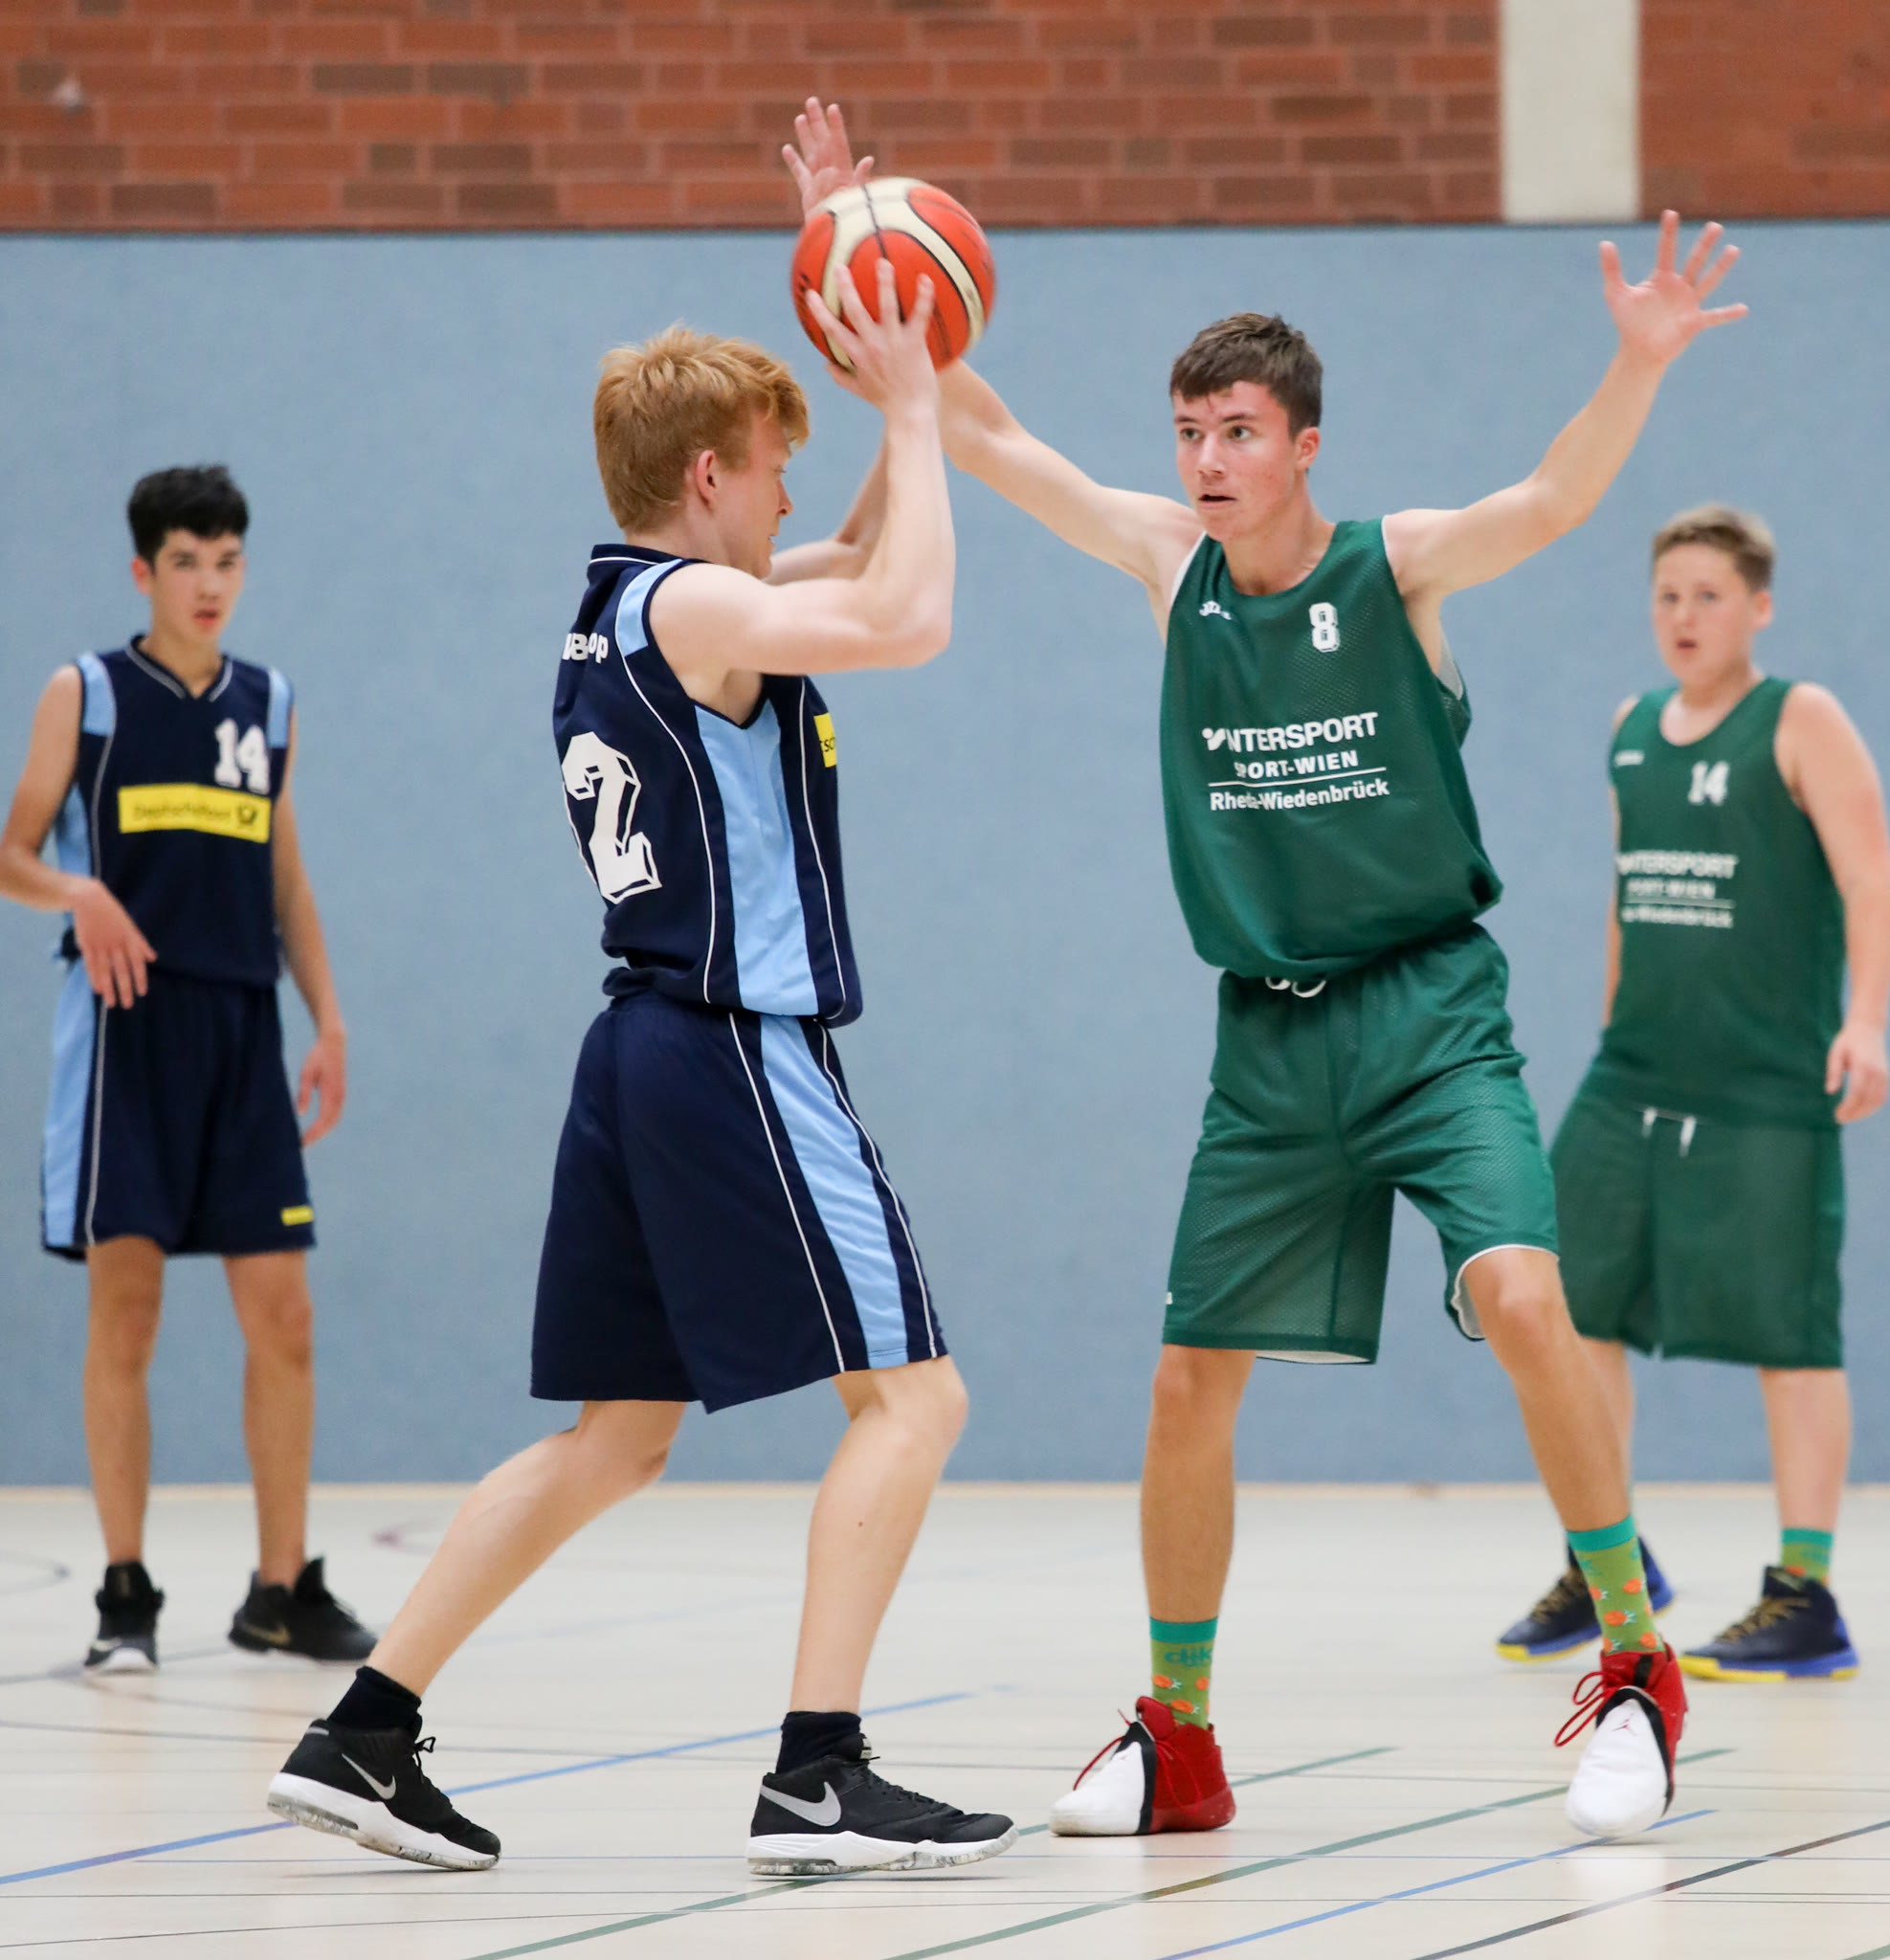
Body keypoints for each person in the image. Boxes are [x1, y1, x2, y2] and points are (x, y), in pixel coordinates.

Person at [925, 177, 1746, 1836]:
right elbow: (995, 439)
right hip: (1269, 1036)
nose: (1206, 460)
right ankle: (1178, 1734)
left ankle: (1636, 1660)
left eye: (1237, 431)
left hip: (1429, 1009)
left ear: (1304, 445)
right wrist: (888, 311)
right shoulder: (1170, 568)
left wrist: (1639, 361)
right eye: (1188, 433)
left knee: (1524, 1297)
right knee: (1186, 1382)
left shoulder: (1395, 569)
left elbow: (1551, 498)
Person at [263, 190, 1015, 1876]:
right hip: (736, 1045)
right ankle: (817, 1771)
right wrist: (908, 405)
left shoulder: (626, 607)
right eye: (773, 466)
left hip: (637, 1051)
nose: (789, 493)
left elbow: (867, 555)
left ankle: (363, 1728)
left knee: (617, 1434)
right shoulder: (702, 612)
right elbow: (911, 616)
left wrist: (874, 311)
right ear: (708, 476)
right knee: (916, 1400)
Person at [1495, 507, 1890, 1683]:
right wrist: (1611, 1024)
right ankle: (1605, 1562)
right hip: (1634, 1071)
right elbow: (1626, 895)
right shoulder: (1629, 729)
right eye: (1666, 595)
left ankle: (1803, 1593)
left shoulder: (1800, 719)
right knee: (1565, 1304)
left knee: (1789, 1332)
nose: (1682, 616)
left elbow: (1871, 881)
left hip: (1765, 1075)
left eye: (1707, 595)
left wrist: (1865, 1019)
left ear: (1756, 607)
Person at [0, 465, 374, 1672]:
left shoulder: (269, 703)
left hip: (242, 1035)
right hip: (127, 1035)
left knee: (286, 1315)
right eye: (185, 562)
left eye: (226, 562)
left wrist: (327, 1020)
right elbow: (11, 853)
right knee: (129, 1310)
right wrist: (81, 890)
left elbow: (285, 877)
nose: (208, 584)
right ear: (143, 571)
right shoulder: (88, 694)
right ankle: (125, 1593)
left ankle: (279, 1589)